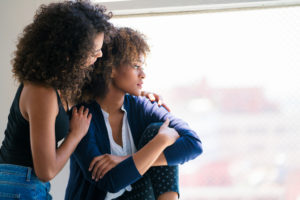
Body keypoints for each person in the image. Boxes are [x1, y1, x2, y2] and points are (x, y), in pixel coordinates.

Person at [65, 27, 203, 200]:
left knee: (157, 129)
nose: (143, 75)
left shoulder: (143, 106)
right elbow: (110, 181)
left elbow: (194, 144)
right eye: (136, 66)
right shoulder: (81, 116)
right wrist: (160, 141)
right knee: (159, 136)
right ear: (111, 69)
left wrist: (124, 159)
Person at [0, 1, 111, 199]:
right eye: (94, 50)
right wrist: (75, 135)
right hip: (17, 185)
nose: (100, 54)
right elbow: (46, 171)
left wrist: (145, 97)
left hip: (28, 185)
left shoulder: (61, 84)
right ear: (70, 52)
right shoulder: (41, 92)